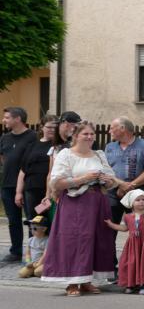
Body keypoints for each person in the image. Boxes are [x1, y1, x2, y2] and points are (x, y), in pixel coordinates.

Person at [40, 121, 120, 296]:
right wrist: (83, 178)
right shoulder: (65, 155)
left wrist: (107, 180)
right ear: (75, 136)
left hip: (97, 202)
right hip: (74, 203)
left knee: (95, 239)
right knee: (73, 240)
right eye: (86, 134)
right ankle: (72, 282)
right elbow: (57, 182)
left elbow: (113, 179)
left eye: (92, 134)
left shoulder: (98, 154)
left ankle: (86, 280)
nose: (90, 137)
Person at [104, 117, 144, 280]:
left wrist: (131, 186)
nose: (109, 131)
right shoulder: (110, 147)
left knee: (142, 230)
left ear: (122, 128)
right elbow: (106, 170)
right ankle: (111, 268)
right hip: (113, 192)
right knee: (109, 230)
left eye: (112, 127)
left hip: (137, 195)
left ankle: (143, 268)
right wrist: (121, 185)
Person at [105, 189, 144, 295]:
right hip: (133, 245)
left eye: (143, 199)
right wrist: (111, 224)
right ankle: (132, 283)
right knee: (132, 262)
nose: (141, 202)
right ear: (131, 203)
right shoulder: (127, 217)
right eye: (138, 200)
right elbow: (124, 228)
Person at [2, 106, 37, 263]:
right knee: (13, 220)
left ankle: (33, 253)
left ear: (18, 119)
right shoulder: (5, 138)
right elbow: (3, 158)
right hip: (7, 185)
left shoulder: (33, 137)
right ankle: (16, 252)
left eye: (7, 117)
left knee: (31, 220)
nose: (4, 120)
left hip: (28, 185)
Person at [15, 116, 56, 224]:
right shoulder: (32, 145)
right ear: (42, 127)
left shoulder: (58, 146)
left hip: (51, 191)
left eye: (55, 127)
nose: (52, 129)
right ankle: (34, 241)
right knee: (34, 221)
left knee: (50, 221)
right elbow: (23, 170)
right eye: (49, 127)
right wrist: (18, 192)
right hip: (32, 190)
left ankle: (49, 241)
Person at [19, 213, 50, 278]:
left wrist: (39, 264)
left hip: (43, 263)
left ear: (44, 229)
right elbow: (28, 253)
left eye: (35, 228)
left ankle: (47, 269)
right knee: (22, 274)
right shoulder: (30, 240)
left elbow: (45, 254)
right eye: (30, 228)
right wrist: (28, 262)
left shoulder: (48, 240)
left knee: (37, 272)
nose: (32, 231)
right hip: (33, 263)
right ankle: (34, 270)